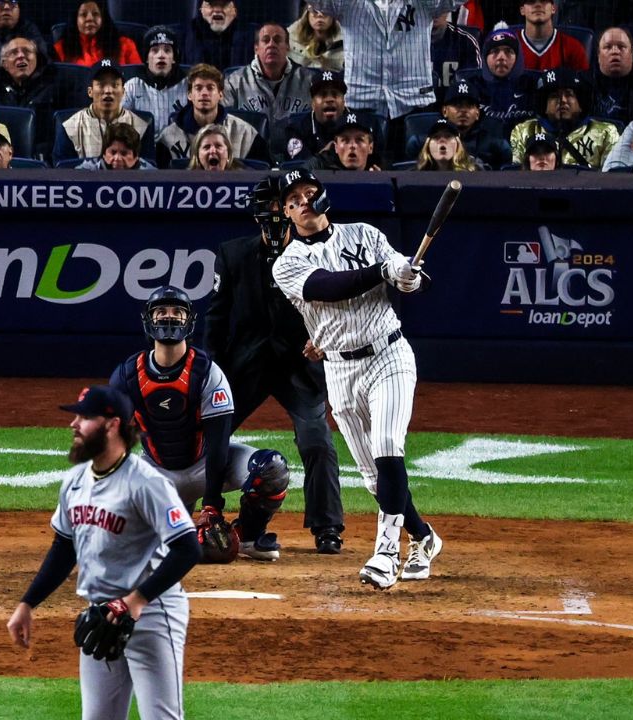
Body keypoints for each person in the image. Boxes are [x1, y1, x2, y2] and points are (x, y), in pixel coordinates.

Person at [271, 168, 442, 589]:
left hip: (389, 354)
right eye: (295, 198)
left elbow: (409, 281)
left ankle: (386, 553)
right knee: (372, 475)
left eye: (311, 192)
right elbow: (329, 287)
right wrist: (383, 272)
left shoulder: (365, 235)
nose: (305, 201)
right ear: (286, 211)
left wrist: (408, 278)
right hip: (339, 369)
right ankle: (423, 536)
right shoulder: (287, 263)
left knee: (388, 446)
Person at [5, 385, 200, 720]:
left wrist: (135, 601)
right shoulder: (75, 481)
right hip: (101, 615)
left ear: (112, 424)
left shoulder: (146, 483)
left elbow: (188, 547)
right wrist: (27, 603)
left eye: (84, 417)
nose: (73, 425)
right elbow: (63, 547)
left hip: (151, 613)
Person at [205, 176, 346, 554]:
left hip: (300, 366)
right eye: (267, 207)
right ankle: (192, 512)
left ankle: (327, 526)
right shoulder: (232, 254)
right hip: (244, 366)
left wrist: (326, 345)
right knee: (205, 436)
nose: (272, 215)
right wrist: (209, 370)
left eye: (277, 205)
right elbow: (216, 319)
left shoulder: (318, 254)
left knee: (317, 440)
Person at [109, 286, 294, 562]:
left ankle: (247, 536)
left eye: (176, 313)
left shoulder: (207, 372)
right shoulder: (126, 376)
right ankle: (171, 529)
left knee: (272, 469)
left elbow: (219, 443)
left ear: (189, 321)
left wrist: (212, 506)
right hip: (158, 473)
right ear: (149, 320)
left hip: (205, 464)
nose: (169, 318)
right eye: (161, 312)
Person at [306, 0, 455, 149]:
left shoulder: (425, 3)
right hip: (361, 103)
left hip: (414, 101)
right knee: (364, 169)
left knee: (415, 169)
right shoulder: (348, 3)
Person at [156, 62, 267, 169]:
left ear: (221, 94)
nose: (204, 93)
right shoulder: (169, 137)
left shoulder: (245, 133)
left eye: (210, 88)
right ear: (189, 95)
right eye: (198, 88)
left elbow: (264, 174)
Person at [224, 23, 311, 151]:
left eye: (277, 40)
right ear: (256, 48)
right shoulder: (234, 82)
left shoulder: (308, 81)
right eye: (265, 40)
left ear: (287, 47)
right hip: (250, 158)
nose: (271, 44)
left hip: (298, 157)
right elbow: (224, 126)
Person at [510, 69, 621, 169]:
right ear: (544, 106)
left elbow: (611, 179)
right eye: (554, 96)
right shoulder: (524, 131)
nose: (562, 100)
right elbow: (517, 176)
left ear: (580, 104)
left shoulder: (606, 132)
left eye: (569, 94)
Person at [53, 60, 149, 164]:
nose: (108, 90)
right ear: (90, 92)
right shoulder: (70, 127)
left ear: (123, 92)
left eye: (115, 85)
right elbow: (63, 171)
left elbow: (147, 171)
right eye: (101, 85)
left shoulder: (141, 127)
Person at [455, 29, 539, 136]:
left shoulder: (532, 86)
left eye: (508, 51)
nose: (501, 57)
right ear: (485, 57)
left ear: (518, 57)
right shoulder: (471, 86)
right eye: (494, 51)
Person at [122, 26, 188, 136]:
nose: (161, 55)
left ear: (174, 58)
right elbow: (119, 126)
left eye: (167, 50)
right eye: (155, 50)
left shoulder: (188, 85)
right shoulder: (133, 86)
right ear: (147, 58)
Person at [590, 26, 633, 126]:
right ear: (598, 55)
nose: (615, 51)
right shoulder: (584, 83)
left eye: (621, 47)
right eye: (608, 47)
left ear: (632, 53)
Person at [436, 79, 511, 168]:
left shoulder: (491, 140)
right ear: (445, 111)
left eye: (469, 106)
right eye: (457, 105)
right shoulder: (434, 137)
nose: (463, 110)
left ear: (477, 113)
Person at [281, 70, 349, 162]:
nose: (329, 99)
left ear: (344, 101)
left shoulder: (358, 126)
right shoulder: (296, 129)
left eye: (335, 94)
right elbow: (299, 168)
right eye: (322, 95)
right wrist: (323, 157)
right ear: (312, 103)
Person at [0, 37, 58, 115]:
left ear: (37, 59)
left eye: (27, 51)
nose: (21, 55)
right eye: (13, 53)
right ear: (4, 63)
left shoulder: (54, 84)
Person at [54, 0, 139, 66]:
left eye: (95, 14)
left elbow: (138, 81)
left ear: (103, 18)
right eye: (83, 14)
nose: (90, 18)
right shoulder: (61, 48)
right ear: (75, 19)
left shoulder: (126, 45)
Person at [515, 0, 589, 72]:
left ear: (553, 8)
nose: (538, 5)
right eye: (531, 1)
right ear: (522, 10)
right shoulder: (510, 44)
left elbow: (584, 82)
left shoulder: (573, 47)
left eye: (543, 1)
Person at [180, 0, 254, 70]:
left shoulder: (253, 37)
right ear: (201, 9)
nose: (217, 10)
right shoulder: (185, 36)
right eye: (211, 5)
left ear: (235, 10)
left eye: (224, 5)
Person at [430, 10, 482, 99]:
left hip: (455, 105)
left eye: (440, 6)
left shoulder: (466, 41)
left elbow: (474, 83)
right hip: (416, 106)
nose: (435, 11)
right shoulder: (406, 40)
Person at [306, 112, 381, 171]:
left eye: (359, 140)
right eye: (345, 140)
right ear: (336, 146)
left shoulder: (382, 169)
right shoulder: (317, 166)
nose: (352, 145)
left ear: (370, 147)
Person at [77, 122, 157, 170]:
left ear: (136, 157)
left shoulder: (151, 174)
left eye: (124, 153)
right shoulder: (88, 170)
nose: (117, 158)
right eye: (113, 152)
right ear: (104, 154)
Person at [288, 2, 343, 72]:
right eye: (314, 11)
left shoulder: (345, 42)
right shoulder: (290, 38)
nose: (320, 15)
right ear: (307, 14)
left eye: (325, 11)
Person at [415, 117, 483, 170]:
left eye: (448, 136)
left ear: (458, 143)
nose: (442, 140)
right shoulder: (414, 176)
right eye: (436, 137)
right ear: (427, 145)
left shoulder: (476, 172)